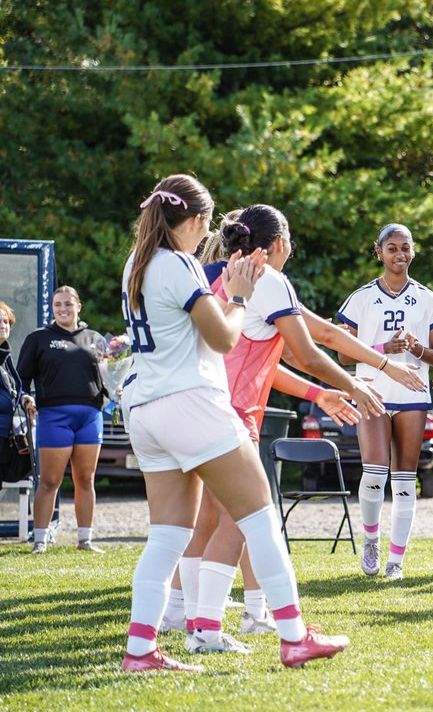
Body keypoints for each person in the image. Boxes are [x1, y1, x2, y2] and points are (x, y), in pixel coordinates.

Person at [118, 174, 347, 672]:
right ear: (198, 219)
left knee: (168, 535)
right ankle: (293, 635)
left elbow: (189, 332)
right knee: (260, 516)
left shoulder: (136, 263)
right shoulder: (179, 263)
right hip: (190, 403)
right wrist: (240, 297)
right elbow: (223, 338)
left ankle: (140, 650)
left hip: (144, 405)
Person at [180, 205, 412, 655]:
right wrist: (357, 384)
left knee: (204, 519)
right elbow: (309, 348)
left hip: (196, 408)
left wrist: (324, 391)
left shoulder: (217, 273)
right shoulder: (268, 280)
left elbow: (291, 347)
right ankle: (216, 628)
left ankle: (189, 615)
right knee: (245, 518)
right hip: (231, 413)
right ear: (279, 244)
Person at [337, 224, 433, 580]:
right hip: (373, 391)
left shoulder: (428, 299)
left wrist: (416, 348)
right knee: (373, 471)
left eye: (405, 248)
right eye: (392, 248)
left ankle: (396, 561)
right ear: (379, 251)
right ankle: (371, 541)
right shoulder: (361, 298)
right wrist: (384, 349)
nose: (399, 254)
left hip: (413, 395)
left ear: (413, 251)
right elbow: (342, 356)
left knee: (404, 478)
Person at [16, 286, 107, 554]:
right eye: (58, 304)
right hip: (55, 417)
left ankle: (85, 540)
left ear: (79, 306)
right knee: (50, 480)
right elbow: (22, 380)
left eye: (68, 303)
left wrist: (116, 389)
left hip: (91, 417)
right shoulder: (39, 339)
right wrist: (25, 398)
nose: (63, 308)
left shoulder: (95, 339)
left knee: (86, 479)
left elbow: (109, 376)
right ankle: (41, 540)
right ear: (53, 308)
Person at [0, 301, 31, 483]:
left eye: (5, 321)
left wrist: (23, 398)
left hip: (5, 437)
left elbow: (11, 391)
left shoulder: (4, 357)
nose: (3, 326)